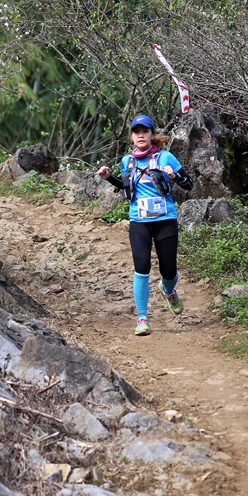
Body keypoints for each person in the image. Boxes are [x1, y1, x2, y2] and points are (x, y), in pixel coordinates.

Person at [97, 114, 193, 336]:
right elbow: (125, 185)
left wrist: (174, 176)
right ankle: (142, 319)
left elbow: (189, 184)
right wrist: (108, 177)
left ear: (151, 134)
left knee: (168, 271)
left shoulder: (166, 157)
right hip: (139, 221)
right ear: (131, 136)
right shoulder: (126, 161)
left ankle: (168, 289)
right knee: (141, 268)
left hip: (165, 219)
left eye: (145, 131)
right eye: (136, 132)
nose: (141, 135)